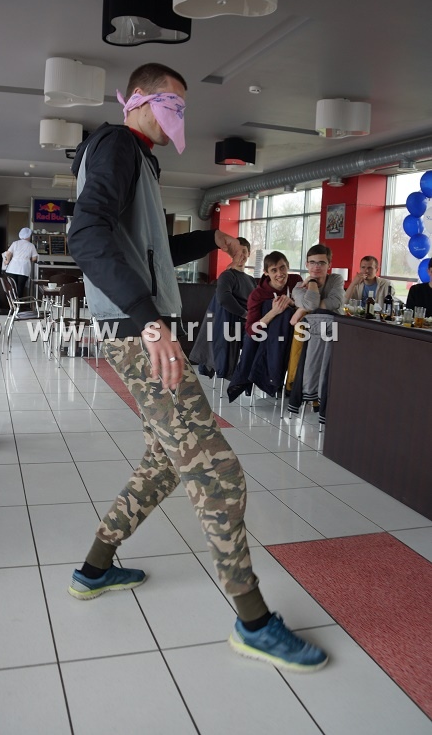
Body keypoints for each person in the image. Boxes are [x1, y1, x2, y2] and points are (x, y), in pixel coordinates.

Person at [67, 62, 328, 672]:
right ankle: (254, 623)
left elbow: (150, 251)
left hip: (137, 327)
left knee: (164, 462)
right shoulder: (116, 146)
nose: (178, 116)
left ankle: (94, 569)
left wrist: (212, 240)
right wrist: (148, 321)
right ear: (137, 99)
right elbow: (84, 234)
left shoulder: (137, 158)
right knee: (218, 471)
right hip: (138, 331)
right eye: (171, 103)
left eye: (184, 107)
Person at [245, 251, 301, 336]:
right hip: (269, 336)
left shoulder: (296, 280)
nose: (279, 274)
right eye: (274, 270)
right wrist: (274, 312)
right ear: (266, 272)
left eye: (282, 268)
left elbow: (307, 306)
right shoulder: (257, 295)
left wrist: (292, 303)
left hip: (294, 331)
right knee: (267, 304)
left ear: (288, 266)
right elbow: (250, 330)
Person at [291, 244, 344, 326]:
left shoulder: (335, 279)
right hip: (310, 329)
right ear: (307, 265)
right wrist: (312, 281)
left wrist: (302, 309)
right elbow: (311, 304)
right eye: (312, 262)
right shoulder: (299, 287)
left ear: (329, 265)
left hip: (336, 326)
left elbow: (335, 302)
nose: (316, 267)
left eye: (321, 263)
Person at [216, 238, 257, 318]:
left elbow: (256, 300)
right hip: (234, 322)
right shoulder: (227, 276)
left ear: (248, 254)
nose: (240, 255)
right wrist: (246, 315)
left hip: (250, 322)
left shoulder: (251, 279)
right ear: (231, 254)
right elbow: (223, 298)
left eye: (244, 251)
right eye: (237, 252)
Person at [3, 227, 38, 297]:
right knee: (20, 288)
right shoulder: (31, 245)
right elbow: (34, 258)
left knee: (12, 288)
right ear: (29, 236)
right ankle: (19, 302)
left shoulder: (15, 243)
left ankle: (12, 302)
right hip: (23, 269)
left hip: (12, 268)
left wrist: (7, 261)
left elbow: (8, 253)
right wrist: (28, 259)